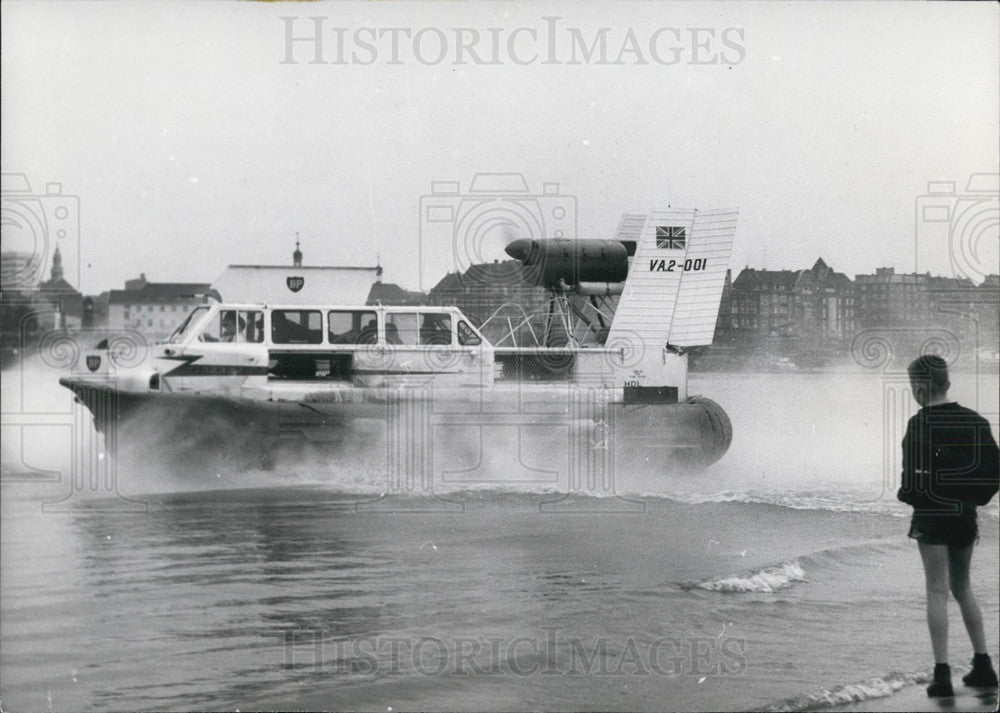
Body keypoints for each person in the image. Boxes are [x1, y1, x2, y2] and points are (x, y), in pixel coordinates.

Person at [897, 355, 1000, 696]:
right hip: (963, 515)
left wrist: (909, 495)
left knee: (936, 591)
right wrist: (973, 499)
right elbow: (993, 474)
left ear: (920, 387)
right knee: (963, 587)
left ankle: (941, 675)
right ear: (948, 384)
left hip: (931, 515)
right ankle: (983, 665)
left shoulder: (919, 424)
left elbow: (910, 482)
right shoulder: (975, 422)